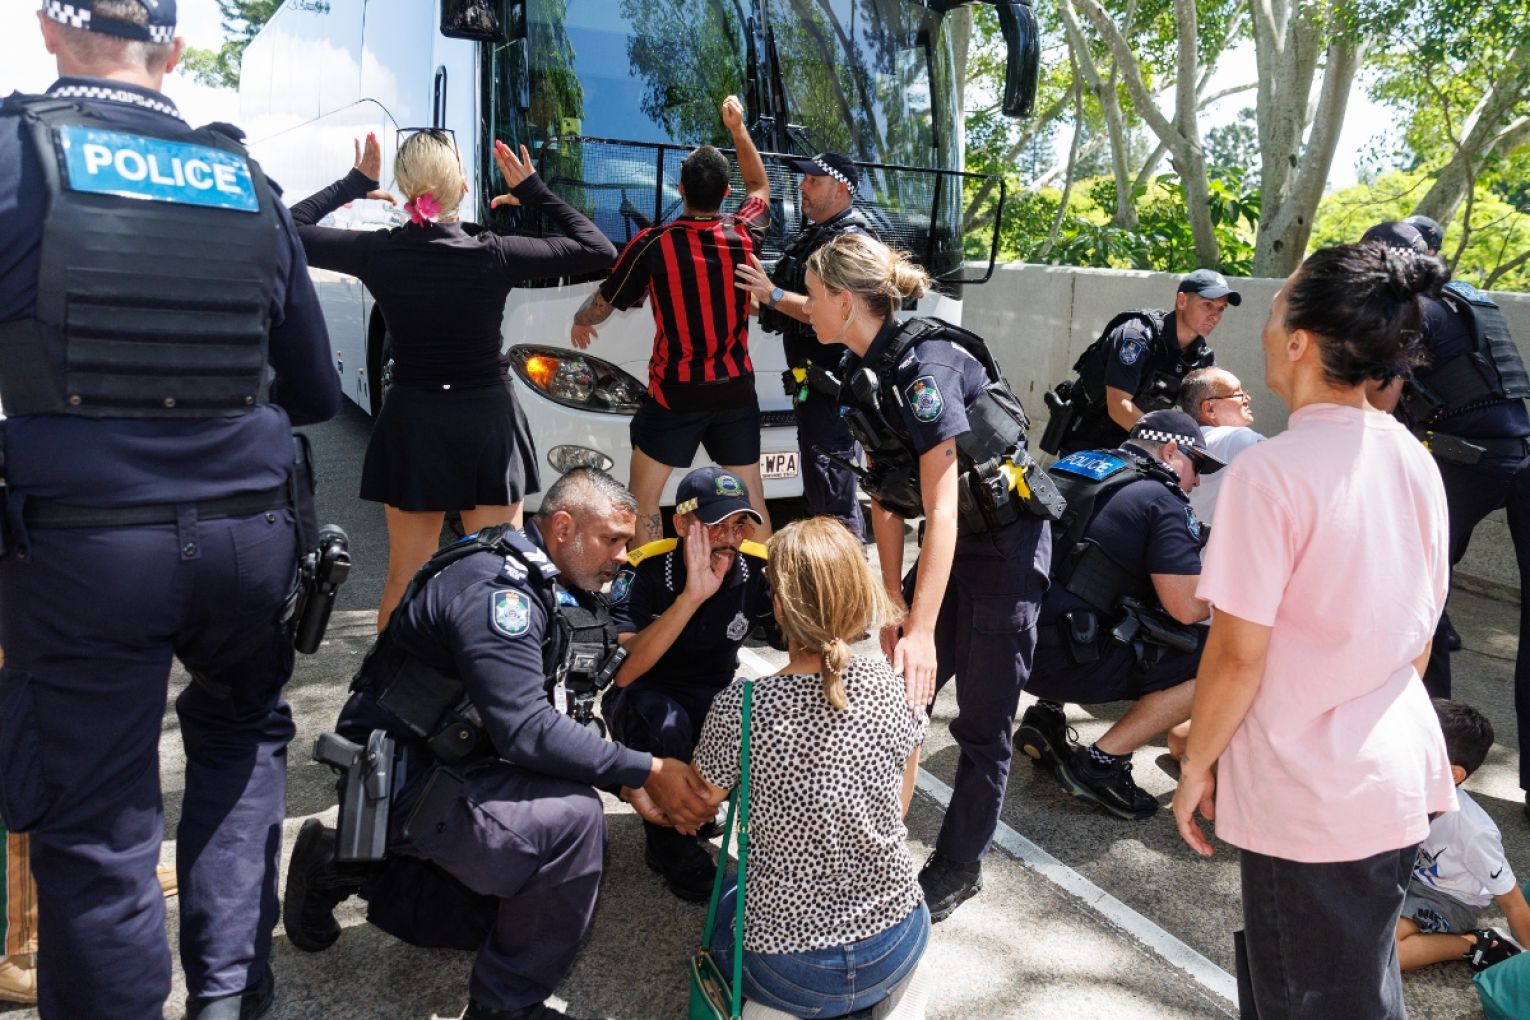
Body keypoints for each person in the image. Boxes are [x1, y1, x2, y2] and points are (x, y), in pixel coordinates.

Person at [0, 2, 341, 1017]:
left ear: (53, 37)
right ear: (175, 54)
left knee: (99, 825)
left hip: (83, 548)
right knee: (239, 735)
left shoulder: (18, 154)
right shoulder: (240, 177)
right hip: (249, 539)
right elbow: (315, 389)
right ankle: (230, 998)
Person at [283, 468, 715, 1020]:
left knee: (494, 919)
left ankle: (343, 866)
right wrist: (644, 768)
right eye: (612, 539)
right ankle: (505, 1006)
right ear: (563, 527)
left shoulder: (535, 574)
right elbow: (527, 730)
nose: (624, 556)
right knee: (574, 822)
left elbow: (548, 718)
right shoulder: (498, 595)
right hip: (402, 777)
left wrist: (625, 783)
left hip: (449, 758)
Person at [1173, 241, 1458, 1019]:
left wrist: (1198, 759)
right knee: (1354, 990)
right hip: (1393, 774)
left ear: (1299, 340)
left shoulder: (1271, 474)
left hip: (1312, 796)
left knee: (1312, 998)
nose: (1262, 329)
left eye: (1270, 313)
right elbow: (1422, 631)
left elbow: (1237, 654)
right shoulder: (1411, 456)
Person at [804, 232, 1055, 922]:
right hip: (954, 544)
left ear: (846, 302)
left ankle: (958, 863)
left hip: (1004, 547)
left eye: (813, 295)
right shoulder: (864, 369)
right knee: (890, 700)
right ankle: (861, 836)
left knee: (980, 723)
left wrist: (922, 628)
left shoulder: (926, 366)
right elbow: (886, 497)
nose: (805, 307)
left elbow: (941, 504)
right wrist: (893, 608)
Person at [290, 129, 616, 631]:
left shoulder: (380, 253)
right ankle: (494, 687)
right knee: (500, 576)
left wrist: (353, 183)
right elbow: (597, 248)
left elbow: (288, 228)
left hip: (416, 418)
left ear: (403, 187)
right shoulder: (494, 251)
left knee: (405, 578)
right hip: (487, 421)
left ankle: (393, 697)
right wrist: (532, 188)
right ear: (460, 185)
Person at [691, 517, 929, 1018]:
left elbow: (702, 799)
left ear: (779, 606)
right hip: (896, 942)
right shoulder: (895, 687)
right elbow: (898, 810)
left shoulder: (744, 704)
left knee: (731, 899)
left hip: (788, 969)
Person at [1361, 221, 1530, 823]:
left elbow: (1377, 398)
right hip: (1519, 455)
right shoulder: (1472, 300)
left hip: (1465, 462)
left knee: (1414, 595)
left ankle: (1424, 743)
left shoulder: (1411, 310)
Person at [569, 96, 772, 547]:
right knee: (751, 499)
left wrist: (581, 319)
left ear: (679, 189)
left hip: (675, 393)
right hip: (736, 388)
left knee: (644, 501)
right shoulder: (744, 236)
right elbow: (759, 185)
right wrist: (738, 130)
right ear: (724, 194)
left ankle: (647, 596)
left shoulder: (653, 244)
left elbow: (603, 302)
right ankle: (764, 594)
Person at [1018, 409, 1218, 821]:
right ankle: (1101, 762)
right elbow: (1185, 608)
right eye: (1195, 465)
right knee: (1218, 657)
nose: (1197, 481)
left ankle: (1046, 715)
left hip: (1012, 649)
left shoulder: (1072, 467)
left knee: (1079, 581)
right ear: (1170, 450)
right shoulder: (1162, 498)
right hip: (1066, 660)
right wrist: (1227, 592)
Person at [602, 466, 780, 902]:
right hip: (647, 695)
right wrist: (692, 597)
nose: (729, 536)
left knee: (777, 717)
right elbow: (625, 673)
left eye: (739, 524)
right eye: (715, 523)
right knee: (666, 722)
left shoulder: (754, 570)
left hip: (714, 692)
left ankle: (701, 808)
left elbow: (797, 637)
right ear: (681, 524)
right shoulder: (643, 572)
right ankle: (670, 847)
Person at [735, 151, 874, 539]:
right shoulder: (815, 236)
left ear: (842, 188)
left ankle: (847, 592)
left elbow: (829, 311)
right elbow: (776, 302)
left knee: (834, 504)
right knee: (818, 496)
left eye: (814, 180)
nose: (803, 187)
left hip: (834, 394)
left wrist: (773, 293)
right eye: (804, 180)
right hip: (812, 391)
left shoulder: (852, 242)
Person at [1395, 699, 1530, 973]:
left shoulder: (1474, 831)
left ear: (1453, 774)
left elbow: (1513, 904)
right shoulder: (1400, 790)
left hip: (1449, 899)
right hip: (1404, 877)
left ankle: (1475, 943)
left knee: (1387, 952)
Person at [1046, 269, 1239, 456]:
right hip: (1088, 443)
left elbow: (1204, 412)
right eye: (1207, 305)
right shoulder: (1137, 335)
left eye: (1220, 309)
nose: (1215, 316)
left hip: (1136, 445)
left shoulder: (1201, 357)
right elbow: (1118, 405)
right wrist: (1164, 446)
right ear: (1182, 301)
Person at [1177, 367, 1265, 524]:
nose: (1248, 398)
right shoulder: (1238, 438)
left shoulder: (1177, 448)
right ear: (1209, 409)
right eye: (1238, 394)